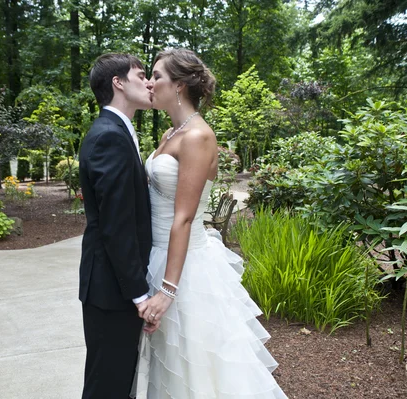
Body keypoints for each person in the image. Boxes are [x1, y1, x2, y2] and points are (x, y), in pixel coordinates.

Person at [132, 49, 287, 398]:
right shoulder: (170, 134)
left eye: (157, 75)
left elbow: (185, 217)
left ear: (180, 85)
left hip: (185, 269)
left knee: (194, 366)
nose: (150, 82)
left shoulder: (199, 136)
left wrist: (168, 291)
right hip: (157, 254)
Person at [78, 53, 158, 399]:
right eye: (141, 76)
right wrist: (139, 294)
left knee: (118, 379)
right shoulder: (109, 136)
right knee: (106, 386)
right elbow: (116, 224)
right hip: (112, 289)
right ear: (118, 83)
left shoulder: (117, 131)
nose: (149, 83)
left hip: (113, 285)